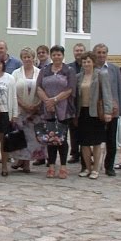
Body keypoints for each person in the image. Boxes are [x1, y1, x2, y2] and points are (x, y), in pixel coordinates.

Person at [36, 45, 76, 179]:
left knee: (62, 138)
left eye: (59, 54)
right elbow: (39, 87)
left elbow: (70, 89)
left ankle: (63, 166)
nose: (56, 57)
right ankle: (51, 165)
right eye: (54, 54)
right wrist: (47, 101)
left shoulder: (68, 70)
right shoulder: (45, 70)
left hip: (63, 109)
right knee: (50, 137)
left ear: (63, 56)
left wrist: (55, 100)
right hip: (48, 109)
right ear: (51, 56)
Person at [75, 52, 113, 179]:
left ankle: (96, 169)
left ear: (93, 62)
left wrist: (108, 111)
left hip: (96, 112)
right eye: (84, 61)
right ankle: (87, 167)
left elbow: (107, 94)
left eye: (88, 61)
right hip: (82, 112)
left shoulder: (101, 75)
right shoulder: (79, 77)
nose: (86, 64)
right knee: (84, 143)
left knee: (96, 142)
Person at [11, 47, 44, 174]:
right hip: (20, 109)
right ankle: (20, 159)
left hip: (35, 110)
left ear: (33, 58)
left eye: (29, 56)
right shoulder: (16, 73)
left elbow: (43, 89)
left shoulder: (39, 72)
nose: (27, 59)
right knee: (20, 136)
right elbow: (13, 92)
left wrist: (37, 105)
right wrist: (23, 105)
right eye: (24, 57)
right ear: (22, 59)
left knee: (31, 137)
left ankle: (27, 163)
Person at [93, 43, 121, 177]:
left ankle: (109, 166)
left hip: (112, 109)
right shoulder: (91, 68)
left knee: (111, 140)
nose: (101, 55)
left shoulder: (114, 69)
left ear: (107, 54)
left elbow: (119, 89)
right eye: (98, 52)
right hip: (95, 109)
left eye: (103, 52)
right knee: (95, 139)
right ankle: (94, 165)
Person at [67, 42, 86, 164]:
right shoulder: (69, 67)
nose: (78, 52)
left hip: (85, 102)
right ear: (73, 52)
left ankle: (86, 153)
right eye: (76, 50)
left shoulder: (89, 65)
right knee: (73, 129)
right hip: (72, 102)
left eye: (81, 50)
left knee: (85, 129)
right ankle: (75, 153)